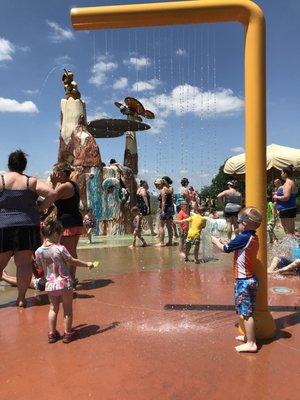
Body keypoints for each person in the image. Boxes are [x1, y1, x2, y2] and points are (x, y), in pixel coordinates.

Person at [0, 149, 56, 307]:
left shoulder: (2, 180)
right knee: (23, 264)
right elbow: (51, 193)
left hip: (3, 226)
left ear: (9, 164)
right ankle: (21, 299)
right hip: (27, 225)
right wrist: (40, 209)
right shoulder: (30, 182)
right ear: (24, 166)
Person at [211, 207, 262, 353]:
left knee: (246, 313)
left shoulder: (243, 238)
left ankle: (252, 343)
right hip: (250, 278)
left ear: (245, 223)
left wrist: (215, 241)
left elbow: (225, 248)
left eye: (238, 222)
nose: (237, 224)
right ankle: (249, 337)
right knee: (248, 311)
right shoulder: (252, 237)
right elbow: (236, 247)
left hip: (244, 281)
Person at [35, 218, 94, 343]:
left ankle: (52, 333)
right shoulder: (60, 248)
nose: (60, 238)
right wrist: (87, 264)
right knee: (67, 309)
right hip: (64, 283)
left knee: (53, 308)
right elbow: (72, 261)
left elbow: (39, 267)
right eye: (60, 235)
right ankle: (68, 333)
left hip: (50, 285)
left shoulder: (38, 251)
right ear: (55, 234)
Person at [52, 163, 84, 284]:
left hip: (67, 222)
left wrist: (54, 182)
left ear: (61, 173)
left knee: (66, 252)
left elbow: (50, 196)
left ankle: (68, 279)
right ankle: (71, 277)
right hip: (75, 220)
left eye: (56, 172)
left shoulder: (64, 186)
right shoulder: (74, 184)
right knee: (72, 251)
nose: (54, 174)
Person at [273, 165, 297, 234]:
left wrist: (276, 197)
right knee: (288, 232)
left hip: (287, 210)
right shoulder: (289, 182)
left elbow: (286, 197)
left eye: (281, 173)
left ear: (285, 173)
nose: (280, 174)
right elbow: (283, 191)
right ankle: (292, 244)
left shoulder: (288, 183)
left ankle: (293, 245)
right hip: (287, 210)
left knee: (289, 232)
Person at [154, 178, 174, 247]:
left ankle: (161, 242)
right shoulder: (169, 189)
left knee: (160, 226)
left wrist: (162, 211)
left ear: (160, 184)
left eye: (157, 185)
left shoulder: (162, 190)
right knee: (169, 226)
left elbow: (163, 201)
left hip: (165, 209)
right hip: (171, 209)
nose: (157, 187)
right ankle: (170, 242)